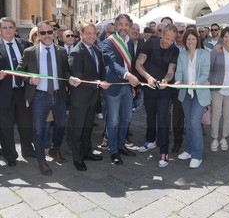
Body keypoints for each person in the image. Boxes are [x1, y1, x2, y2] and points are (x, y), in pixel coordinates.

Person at [17, 20, 79, 176]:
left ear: (54, 33)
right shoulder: (30, 52)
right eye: (42, 33)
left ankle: (54, 149)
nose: (46, 36)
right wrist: (30, 79)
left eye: (49, 32)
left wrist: (70, 78)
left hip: (59, 95)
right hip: (39, 96)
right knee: (38, 130)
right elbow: (19, 72)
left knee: (60, 126)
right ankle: (41, 161)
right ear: (38, 34)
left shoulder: (61, 51)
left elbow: (65, 71)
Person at [136, 24, 179, 167]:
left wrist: (166, 80)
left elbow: (171, 70)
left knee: (163, 118)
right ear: (162, 34)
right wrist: (148, 77)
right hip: (149, 86)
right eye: (167, 38)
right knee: (150, 114)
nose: (169, 42)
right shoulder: (150, 43)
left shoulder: (175, 49)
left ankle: (164, 150)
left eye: (172, 40)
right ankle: (150, 140)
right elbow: (138, 64)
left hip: (164, 89)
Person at [68, 22, 109, 171]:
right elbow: (78, 77)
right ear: (81, 34)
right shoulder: (76, 51)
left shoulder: (96, 49)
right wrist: (98, 83)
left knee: (87, 128)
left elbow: (99, 71)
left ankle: (87, 153)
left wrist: (103, 81)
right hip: (80, 99)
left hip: (92, 97)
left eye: (94, 33)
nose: (92, 36)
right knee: (77, 130)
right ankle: (77, 159)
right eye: (89, 33)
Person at [101, 14, 140, 165]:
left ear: (129, 26)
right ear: (116, 26)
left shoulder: (130, 43)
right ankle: (113, 151)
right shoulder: (108, 43)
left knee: (126, 118)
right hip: (113, 88)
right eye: (120, 25)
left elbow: (130, 64)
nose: (123, 28)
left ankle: (121, 145)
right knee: (113, 121)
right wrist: (128, 76)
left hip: (126, 87)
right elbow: (112, 64)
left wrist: (130, 84)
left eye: (126, 25)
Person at [0, 17, 34, 167]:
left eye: (10, 27)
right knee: (6, 126)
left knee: (25, 123)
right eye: (4, 28)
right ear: (0, 30)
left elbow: (33, 67)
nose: (8, 30)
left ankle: (28, 149)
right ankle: (10, 155)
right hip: (4, 93)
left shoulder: (26, 45)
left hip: (23, 91)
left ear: (15, 29)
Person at [175, 29, 211, 168]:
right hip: (185, 94)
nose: (190, 42)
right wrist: (178, 81)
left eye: (193, 39)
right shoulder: (182, 55)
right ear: (185, 41)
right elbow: (179, 72)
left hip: (199, 94)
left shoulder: (204, 54)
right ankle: (189, 150)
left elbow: (205, 74)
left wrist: (196, 82)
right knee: (189, 123)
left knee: (195, 122)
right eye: (188, 39)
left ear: (197, 40)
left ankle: (197, 155)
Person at [209, 27, 229, 152]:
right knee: (216, 114)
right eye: (225, 36)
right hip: (218, 87)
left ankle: (224, 137)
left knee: (228, 114)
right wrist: (211, 83)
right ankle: (215, 138)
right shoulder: (216, 51)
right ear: (222, 38)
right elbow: (210, 68)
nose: (227, 39)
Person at [171, 22, 186, 153]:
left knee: (189, 117)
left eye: (182, 32)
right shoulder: (169, 46)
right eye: (178, 32)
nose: (180, 35)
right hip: (173, 85)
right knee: (176, 116)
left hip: (189, 85)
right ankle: (177, 140)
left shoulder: (192, 44)